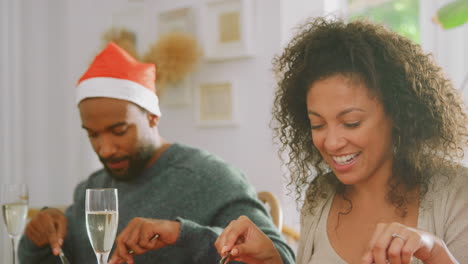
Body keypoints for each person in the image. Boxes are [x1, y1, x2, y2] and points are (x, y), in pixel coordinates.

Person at [215, 17, 468, 264]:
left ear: (397, 114)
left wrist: (434, 253)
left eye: (351, 123)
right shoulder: (320, 195)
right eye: (318, 124)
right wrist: (270, 260)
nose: (332, 143)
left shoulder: (455, 194)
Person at [18, 42, 295, 264]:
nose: (105, 148)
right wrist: (36, 239)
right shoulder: (93, 188)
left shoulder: (212, 178)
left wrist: (181, 234)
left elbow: (279, 257)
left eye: (119, 130)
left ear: (152, 117)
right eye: (93, 134)